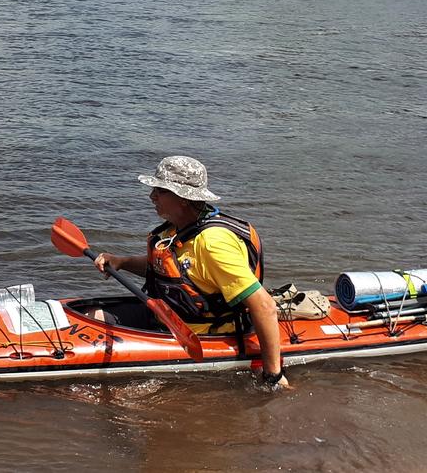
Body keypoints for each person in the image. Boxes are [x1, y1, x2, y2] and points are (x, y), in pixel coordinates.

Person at [92, 155, 291, 392]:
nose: (152, 196)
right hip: (167, 316)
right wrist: (122, 262)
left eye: (160, 190)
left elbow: (264, 306)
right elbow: (173, 270)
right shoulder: (178, 228)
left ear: (183, 198)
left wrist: (273, 374)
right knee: (94, 316)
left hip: (200, 333)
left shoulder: (213, 244)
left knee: (97, 329)